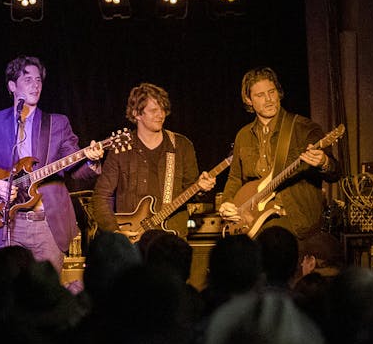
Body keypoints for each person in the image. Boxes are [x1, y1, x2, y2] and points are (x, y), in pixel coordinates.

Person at [0, 55, 102, 270]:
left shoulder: (57, 123)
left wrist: (91, 161)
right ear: (11, 85)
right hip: (8, 222)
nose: (36, 86)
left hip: (47, 223)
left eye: (39, 81)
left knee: (47, 296)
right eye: (28, 80)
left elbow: (77, 170)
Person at [219, 67, 340, 263]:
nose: (268, 99)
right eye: (260, 95)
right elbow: (235, 177)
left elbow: (335, 172)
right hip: (255, 224)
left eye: (272, 92)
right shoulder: (243, 135)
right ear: (249, 100)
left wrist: (324, 162)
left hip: (295, 223)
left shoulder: (303, 128)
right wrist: (227, 203)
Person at [91, 83, 216, 240]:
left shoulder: (182, 145)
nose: (161, 115)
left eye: (163, 109)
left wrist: (202, 188)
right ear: (137, 114)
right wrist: (115, 232)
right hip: (132, 238)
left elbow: (193, 193)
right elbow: (101, 196)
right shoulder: (122, 148)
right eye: (153, 110)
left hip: (172, 238)